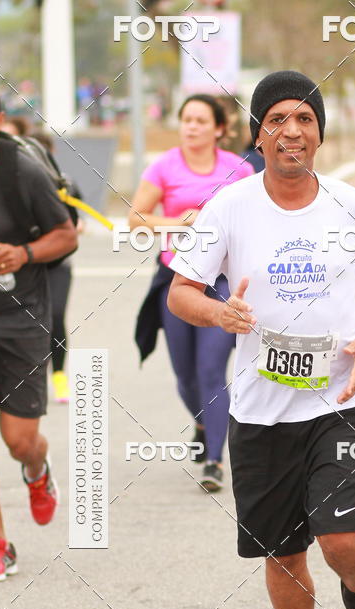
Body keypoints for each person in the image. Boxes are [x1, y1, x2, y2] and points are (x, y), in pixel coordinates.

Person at [168, 71, 355, 609]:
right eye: (276, 119)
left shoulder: (352, 205)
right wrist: (220, 314)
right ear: (257, 134)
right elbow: (181, 291)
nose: (291, 131)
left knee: (339, 536)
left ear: (320, 132)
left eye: (304, 118)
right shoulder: (230, 207)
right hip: (258, 411)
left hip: (341, 401)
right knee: (282, 552)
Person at [0, 82, 77, 582]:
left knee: (19, 440)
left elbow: (66, 234)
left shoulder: (21, 171)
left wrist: (23, 254)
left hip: (20, 317)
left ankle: (38, 470)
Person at [130, 94, 254, 492]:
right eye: (187, 119)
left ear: (219, 128)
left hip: (219, 282)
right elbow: (136, 218)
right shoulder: (164, 166)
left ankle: (215, 460)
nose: (192, 126)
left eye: (201, 120)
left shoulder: (238, 169)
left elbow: (259, 216)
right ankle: (204, 421)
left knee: (209, 370)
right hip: (175, 278)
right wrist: (177, 221)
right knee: (185, 376)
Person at [32, 130, 84, 404]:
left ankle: (60, 375)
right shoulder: (20, 183)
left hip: (59, 264)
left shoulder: (65, 184)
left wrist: (77, 227)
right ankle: (30, 378)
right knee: (30, 320)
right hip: (29, 263)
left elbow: (77, 219)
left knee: (55, 315)